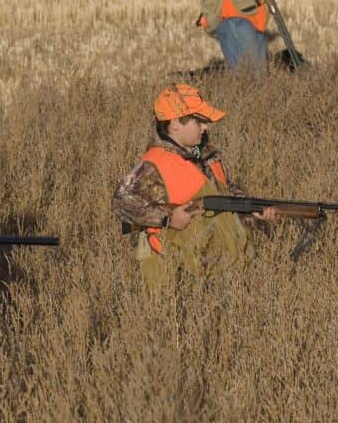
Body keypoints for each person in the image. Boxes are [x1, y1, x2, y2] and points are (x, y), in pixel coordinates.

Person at [112, 83, 277, 286]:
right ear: (175, 123)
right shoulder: (154, 164)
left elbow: (224, 192)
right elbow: (122, 201)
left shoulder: (204, 155)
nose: (205, 127)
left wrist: (252, 208)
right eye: (198, 121)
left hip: (217, 268)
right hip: (176, 275)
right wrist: (169, 217)